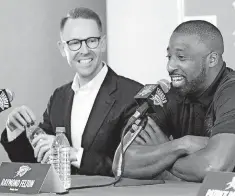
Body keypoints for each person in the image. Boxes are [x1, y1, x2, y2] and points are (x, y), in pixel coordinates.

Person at [112, 20, 235, 181]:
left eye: (181, 57)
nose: (170, 66)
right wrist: (180, 145)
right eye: (169, 57)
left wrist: (161, 155)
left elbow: (213, 167)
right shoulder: (169, 94)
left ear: (212, 59)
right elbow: (121, 162)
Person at [1, 7, 142, 176]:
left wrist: (74, 154)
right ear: (62, 49)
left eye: (91, 40)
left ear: (102, 43)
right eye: (75, 42)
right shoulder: (58, 98)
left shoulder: (133, 95)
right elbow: (35, 168)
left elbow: (135, 167)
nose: (84, 50)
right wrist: (14, 131)